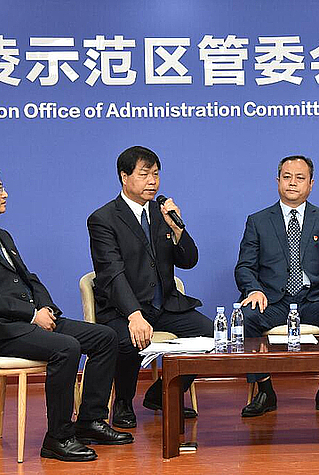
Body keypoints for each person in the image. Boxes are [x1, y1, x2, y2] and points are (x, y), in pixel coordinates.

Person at [0, 161, 131, 462]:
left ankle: (90, 421)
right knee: (67, 347)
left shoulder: (1, 235)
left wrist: (46, 308)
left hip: (29, 322)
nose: (4, 194)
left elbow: (29, 278)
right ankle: (58, 438)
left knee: (105, 337)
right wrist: (30, 314)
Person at [87, 146, 212, 428]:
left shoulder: (161, 213)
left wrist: (178, 229)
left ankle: (162, 393)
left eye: (156, 174)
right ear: (124, 177)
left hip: (164, 305)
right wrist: (133, 314)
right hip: (122, 308)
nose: (152, 181)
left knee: (211, 335)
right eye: (144, 175)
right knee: (129, 340)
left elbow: (189, 261)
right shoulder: (103, 219)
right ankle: (123, 402)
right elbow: (112, 273)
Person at [235, 155, 319, 417]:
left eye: (300, 178)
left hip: (314, 300)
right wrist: (254, 290)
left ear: (311, 184)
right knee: (246, 316)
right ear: (277, 181)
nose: (292, 183)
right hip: (273, 302)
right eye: (287, 177)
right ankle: (265, 390)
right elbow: (244, 266)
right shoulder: (258, 221)